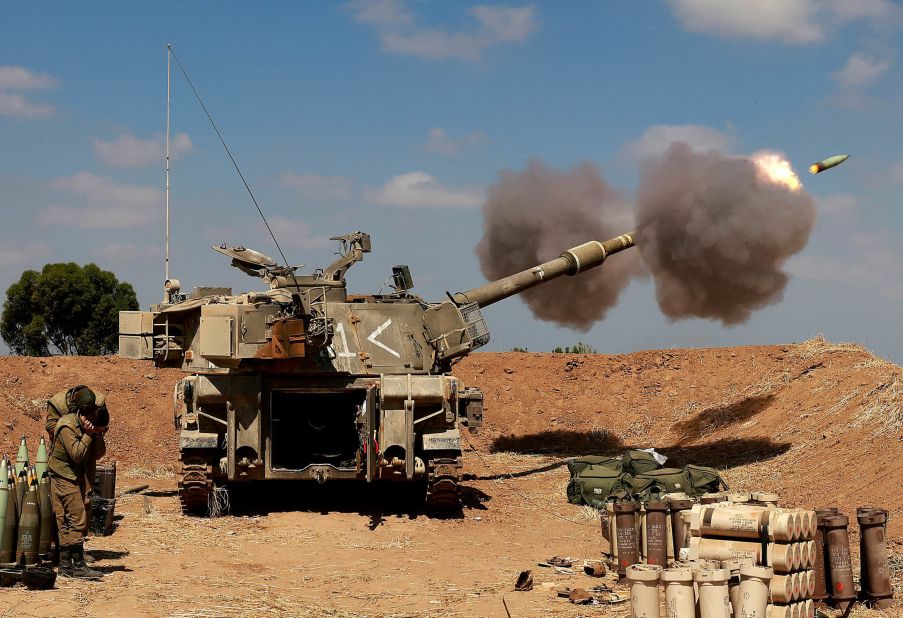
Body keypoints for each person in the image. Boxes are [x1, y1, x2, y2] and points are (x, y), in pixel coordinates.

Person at [48, 401, 109, 579]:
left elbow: (98, 454)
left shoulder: (87, 428)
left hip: (72, 478)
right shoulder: (67, 426)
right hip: (64, 478)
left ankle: (66, 566)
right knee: (76, 521)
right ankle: (79, 565)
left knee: (68, 522)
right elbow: (77, 455)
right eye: (98, 429)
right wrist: (89, 435)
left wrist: (97, 435)